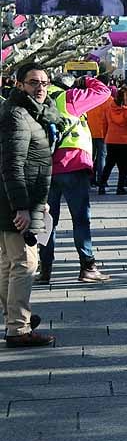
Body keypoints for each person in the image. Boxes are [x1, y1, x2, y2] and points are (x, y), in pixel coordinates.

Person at [0, 62, 59, 347]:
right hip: (16, 202)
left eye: (44, 83)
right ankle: (18, 328)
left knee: (9, 264)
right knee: (25, 263)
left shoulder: (28, 114)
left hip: (22, 199)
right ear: (19, 84)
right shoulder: (17, 116)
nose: (40, 88)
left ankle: (15, 317)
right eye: (33, 82)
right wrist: (22, 207)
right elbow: (13, 164)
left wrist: (41, 203)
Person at [39, 75, 113, 285]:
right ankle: (87, 267)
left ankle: (45, 269)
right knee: (80, 219)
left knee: (47, 221)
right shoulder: (69, 97)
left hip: (44, 169)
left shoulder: (39, 99)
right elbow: (103, 92)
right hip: (72, 164)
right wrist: (87, 79)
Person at [97, 87, 127, 196]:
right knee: (123, 166)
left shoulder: (109, 108)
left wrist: (105, 135)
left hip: (111, 139)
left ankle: (102, 186)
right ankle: (120, 187)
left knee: (109, 164)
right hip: (125, 141)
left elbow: (104, 123)